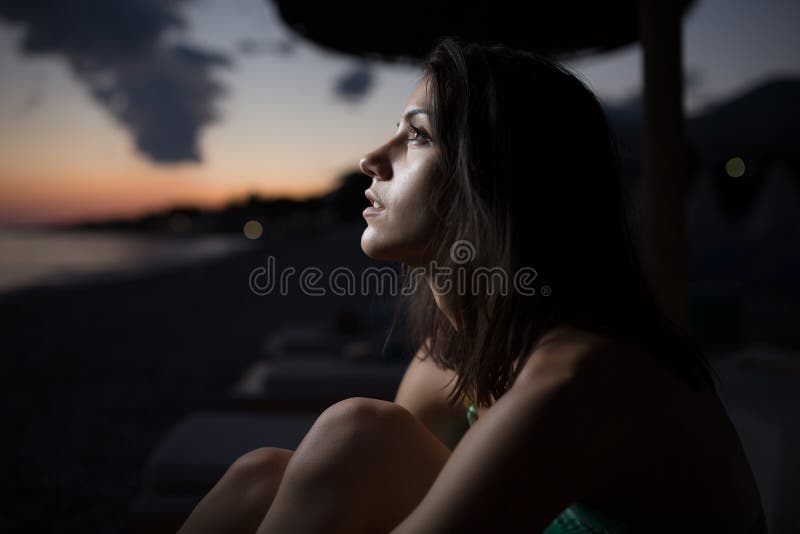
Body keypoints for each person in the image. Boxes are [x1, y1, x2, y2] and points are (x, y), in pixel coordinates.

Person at [177, 37, 767, 534]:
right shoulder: (450, 364)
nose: (370, 159)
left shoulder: (584, 376)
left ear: (500, 182)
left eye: (418, 137)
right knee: (263, 474)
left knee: (357, 431)